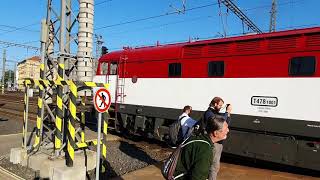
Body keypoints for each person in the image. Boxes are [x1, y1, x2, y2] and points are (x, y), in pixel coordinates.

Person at [174, 115, 229, 180]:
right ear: (215, 133)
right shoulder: (205, 150)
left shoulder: (196, 138)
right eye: (226, 129)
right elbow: (198, 177)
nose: (228, 130)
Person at [203, 97, 232, 180]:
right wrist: (227, 112)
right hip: (214, 143)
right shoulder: (209, 113)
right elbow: (219, 123)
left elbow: (225, 123)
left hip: (218, 143)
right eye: (220, 105)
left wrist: (228, 114)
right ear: (215, 104)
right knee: (214, 166)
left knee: (214, 166)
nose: (220, 107)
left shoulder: (215, 114)